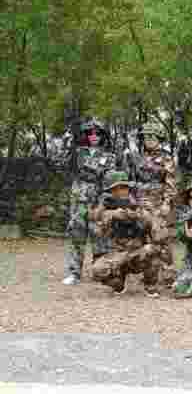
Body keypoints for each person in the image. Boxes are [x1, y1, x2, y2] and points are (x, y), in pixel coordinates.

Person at [90, 171, 166, 297]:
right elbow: (97, 229)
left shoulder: (140, 207)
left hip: (137, 254)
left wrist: (144, 215)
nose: (120, 191)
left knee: (153, 249)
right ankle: (118, 284)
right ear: (111, 191)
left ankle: (150, 285)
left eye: (123, 187)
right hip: (117, 255)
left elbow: (159, 236)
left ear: (128, 189)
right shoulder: (106, 210)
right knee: (97, 269)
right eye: (116, 189)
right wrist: (113, 215)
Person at [62, 118, 117, 285]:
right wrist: (66, 142)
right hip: (79, 200)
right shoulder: (78, 152)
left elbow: (110, 182)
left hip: (97, 201)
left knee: (99, 236)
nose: (94, 136)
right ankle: (74, 273)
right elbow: (62, 163)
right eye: (90, 133)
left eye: (97, 133)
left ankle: (100, 271)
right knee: (76, 236)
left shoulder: (110, 157)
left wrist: (104, 203)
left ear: (103, 136)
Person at [123, 122, 177, 287]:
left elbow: (170, 183)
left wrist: (167, 203)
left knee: (161, 238)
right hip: (140, 203)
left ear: (159, 138)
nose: (149, 139)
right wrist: (131, 200)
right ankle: (148, 273)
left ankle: (169, 276)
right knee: (142, 239)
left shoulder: (166, 157)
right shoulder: (137, 157)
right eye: (146, 137)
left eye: (153, 136)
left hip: (158, 203)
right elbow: (130, 180)